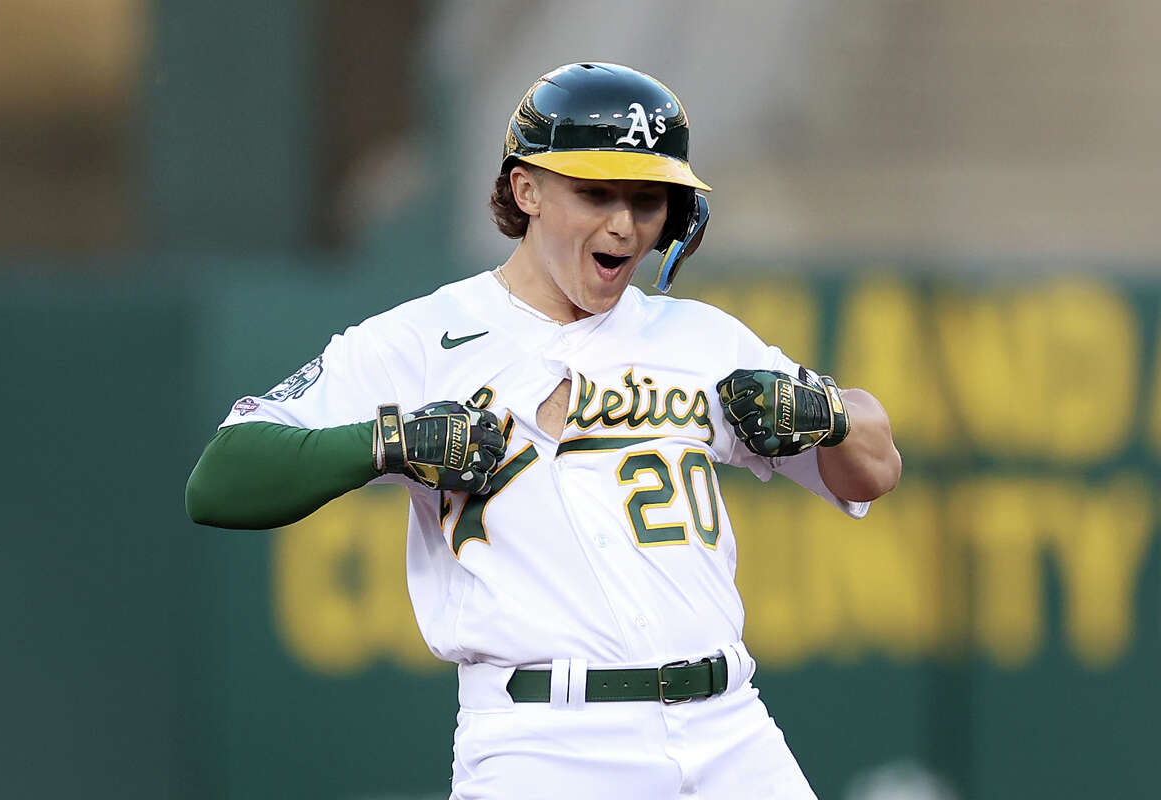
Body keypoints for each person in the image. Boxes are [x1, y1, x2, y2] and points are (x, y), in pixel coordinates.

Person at [186, 62, 901, 800]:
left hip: (729, 730)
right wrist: (387, 443)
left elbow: (874, 466)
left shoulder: (702, 339)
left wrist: (831, 413)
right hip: (543, 744)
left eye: (647, 199)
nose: (623, 225)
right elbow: (221, 479)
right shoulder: (420, 340)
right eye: (595, 192)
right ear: (526, 189)